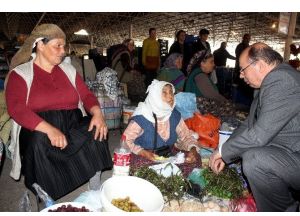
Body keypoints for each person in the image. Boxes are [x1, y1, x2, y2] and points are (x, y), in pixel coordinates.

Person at [5, 24, 113, 200]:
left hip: (71, 123)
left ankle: (94, 186)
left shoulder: (69, 70)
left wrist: (97, 113)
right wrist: (49, 129)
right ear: (40, 45)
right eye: (58, 46)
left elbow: (86, 95)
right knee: (38, 141)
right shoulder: (21, 74)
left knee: (96, 128)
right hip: (38, 128)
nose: (63, 51)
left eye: (64, 46)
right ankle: (47, 196)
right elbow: (16, 108)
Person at [209, 43, 300, 212]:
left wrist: (223, 152)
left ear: (259, 65)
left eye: (243, 69)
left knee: (254, 159)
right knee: (250, 154)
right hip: (290, 152)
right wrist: (224, 150)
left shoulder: (281, 79)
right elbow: (249, 124)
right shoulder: (266, 84)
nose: (241, 75)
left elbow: (259, 135)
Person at [123, 79, 200, 163]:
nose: (170, 97)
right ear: (155, 96)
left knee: (195, 160)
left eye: (171, 92)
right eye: (164, 93)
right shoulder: (142, 117)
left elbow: (186, 137)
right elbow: (125, 141)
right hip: (145, 156)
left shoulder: (174, 115)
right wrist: (142, 152)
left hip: (168, 155)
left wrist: (193, 150)